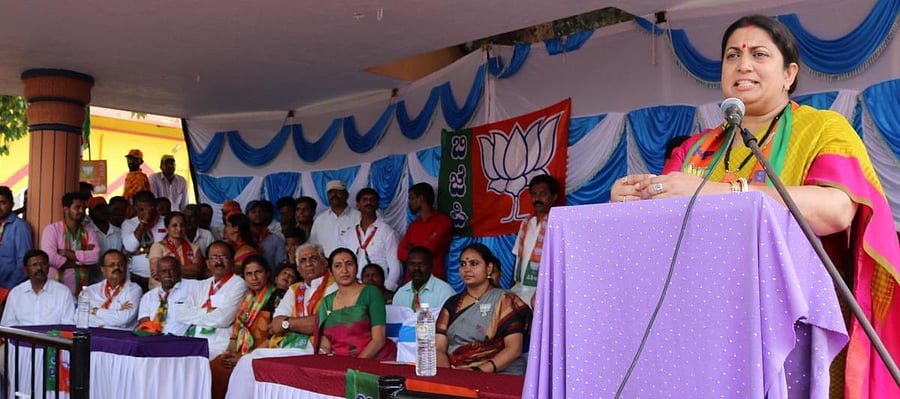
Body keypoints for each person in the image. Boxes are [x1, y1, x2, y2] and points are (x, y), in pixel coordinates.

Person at [610, 15, 900, 398]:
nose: (742, 65)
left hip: (798, 326)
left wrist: (721, 190)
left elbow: (836, 210)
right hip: (706, 327)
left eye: (759, 54)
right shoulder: (695, 149)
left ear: (789, 73)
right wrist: (632, 196)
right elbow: (663, 221)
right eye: (732, 56)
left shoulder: (824, 129)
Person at [436, 243, 531, 374]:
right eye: (463, 264)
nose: (467, 269)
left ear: (489, 268)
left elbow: (513, 349)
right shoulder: (451, 303)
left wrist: (478, 372)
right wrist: (448, 375)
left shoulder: (505, 300)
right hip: (457, 374)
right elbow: (439, 347)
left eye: (474, 264)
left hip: (499, 374)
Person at [210, 255, 279, 399]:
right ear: (244, 277)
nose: (254, 278)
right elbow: (235, 336)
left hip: (262, 356)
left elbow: (274, 338)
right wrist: (228, 353)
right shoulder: (246, 300)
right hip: (241, 354)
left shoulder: (277, 297)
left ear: (267, 273)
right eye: (249, 274)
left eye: (258, 272)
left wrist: (243, 358)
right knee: (216, 365)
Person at [316, 248, 396, 360]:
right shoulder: (327, 302)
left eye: (349, 264)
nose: (344, 270)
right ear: (331, 272)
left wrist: (355, 366)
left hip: (372, 361)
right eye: (338, 266)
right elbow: (325, 344)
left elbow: (379, 339)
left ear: (356, 267)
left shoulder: (371, 293)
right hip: (339, 364)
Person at [175, 241, 248, 358]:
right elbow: (181, 314)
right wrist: (207, 311)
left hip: (220, 347)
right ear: (208, 263)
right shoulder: (200, 285)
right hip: (194, 343)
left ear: (232, 261)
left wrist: (195, 313)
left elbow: (223, 319)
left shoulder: (239, 284)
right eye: (214, 257)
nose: (219, 261)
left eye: (223, 257)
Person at [510, 174, 560, 306]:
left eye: (543, 194)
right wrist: (513, 284)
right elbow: (517, 257)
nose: (537, 198)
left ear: (554, 197)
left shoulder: (557, 224)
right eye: (534, 194)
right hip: (520, 289)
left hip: (542, 291)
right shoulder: (526, 223)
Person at [339, 188, 402, 291]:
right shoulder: (349, 234)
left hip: (379, 287)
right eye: (365, 199)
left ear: (377, 205)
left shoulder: (387, 232)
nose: (368, 202)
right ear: (357, 205)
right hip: (354, 287)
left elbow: (395, 266)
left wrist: (387, 289)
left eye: (372, 200)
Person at [41, 192, 100, 295]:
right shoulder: (52, 230)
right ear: (66, 209)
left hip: (81, 292)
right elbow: (50, 257)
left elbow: (95, 256)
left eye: (83, 208)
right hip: (55, 292)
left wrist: (66, 253)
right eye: (77, 207)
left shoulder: (89, 231)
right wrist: (82, 261)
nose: (82, 211)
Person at [1, 249, 74, 326]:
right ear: (26, 270)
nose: (39, 268)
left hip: (53, 337)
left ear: (48, 267)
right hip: (22, 337)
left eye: (43, 264)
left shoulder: (63, 292)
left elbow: (68, 325)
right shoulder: (15, 293)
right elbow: (8, 325)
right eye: (34, 265)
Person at [398, 183, 453, 280]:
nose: (409, 202)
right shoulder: (413, 225)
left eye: (411, 198)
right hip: (410, 283)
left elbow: (429, 250)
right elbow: (400, 253)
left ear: (421, 199)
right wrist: (420, 248)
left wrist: (411, 248)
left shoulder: (443, 222)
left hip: (434, 281)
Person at [84, 249, 143, 330]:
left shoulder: (134, 290)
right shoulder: (91, 290)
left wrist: (95, 311)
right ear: (103, 269)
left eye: (120, 264)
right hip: (93, 335)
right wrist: (117, 312)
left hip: (121, 338)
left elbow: (123, 320)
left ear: (125, 267)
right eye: (112, 265)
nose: (116, 267)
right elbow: (80, 318)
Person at [137, 255, 195, 335]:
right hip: (155, 339)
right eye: (163, 271)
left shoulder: (193, 287)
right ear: (157, 275)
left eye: (172, 270)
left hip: (182, 340)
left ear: (179, 271)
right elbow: (144, 322)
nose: (168, 274)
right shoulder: (148, 296)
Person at [121, 190, 166, 292]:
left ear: (154, 207)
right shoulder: (128, 224)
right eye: (141, 209)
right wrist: (143, 222)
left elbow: (167, 247)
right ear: (135, 208)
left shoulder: (165, 222)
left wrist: (141, 250)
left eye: (148, 209)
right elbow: (130, 247)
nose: (145, 213)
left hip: (160, 279)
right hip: (136, 279)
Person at [149, 212, 205, 285]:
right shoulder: (157, 246)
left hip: (188, 290)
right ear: (166, 229)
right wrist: (187, 270)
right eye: (174, 225)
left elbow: (197, 270)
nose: (179, 229)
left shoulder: (194, 248)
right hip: (161, 291)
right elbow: (157, 272)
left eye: (182, 225)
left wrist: (169, 270)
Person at [393, 246, 455, 311]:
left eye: (422, 264)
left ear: (431, 266)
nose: (416, 268)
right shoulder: (400, 294)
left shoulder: (445, 292)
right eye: (412, 264)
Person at [308, 180, 360, 256]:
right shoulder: (320, 220)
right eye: (331, 192)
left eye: (338, 191)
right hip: (327, 265)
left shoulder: (359, 217)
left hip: (354, 264)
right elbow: (313, 247)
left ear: (346, 195)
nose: (334, 195)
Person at [0, 186, 32, 290]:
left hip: (10, 289)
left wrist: (8, 288)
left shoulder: (20, 227)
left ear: (11, 204)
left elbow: (24, 262)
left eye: (2, 203)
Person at [246, 200, 285, 269]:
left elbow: (280, 266)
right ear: (247, 215)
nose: (257, 214)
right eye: (253, 212)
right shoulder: (243, 239)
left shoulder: (277, 240)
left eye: (260, 211)